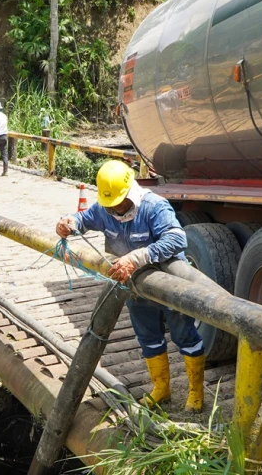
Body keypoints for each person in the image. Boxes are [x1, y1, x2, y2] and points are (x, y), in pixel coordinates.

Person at [54, 160, 206, 413]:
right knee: (148, 336)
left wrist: (137, 257)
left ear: (130, 190)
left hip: (169, 284)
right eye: (109, 204)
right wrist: (68, 221)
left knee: (184, 335)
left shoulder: (154, 207)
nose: (114, 208)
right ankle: (161, 389)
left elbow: (178, 238)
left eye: (118, 203)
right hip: (135, 287)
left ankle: (196, 392)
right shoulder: (105, 209)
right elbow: (83, 219)